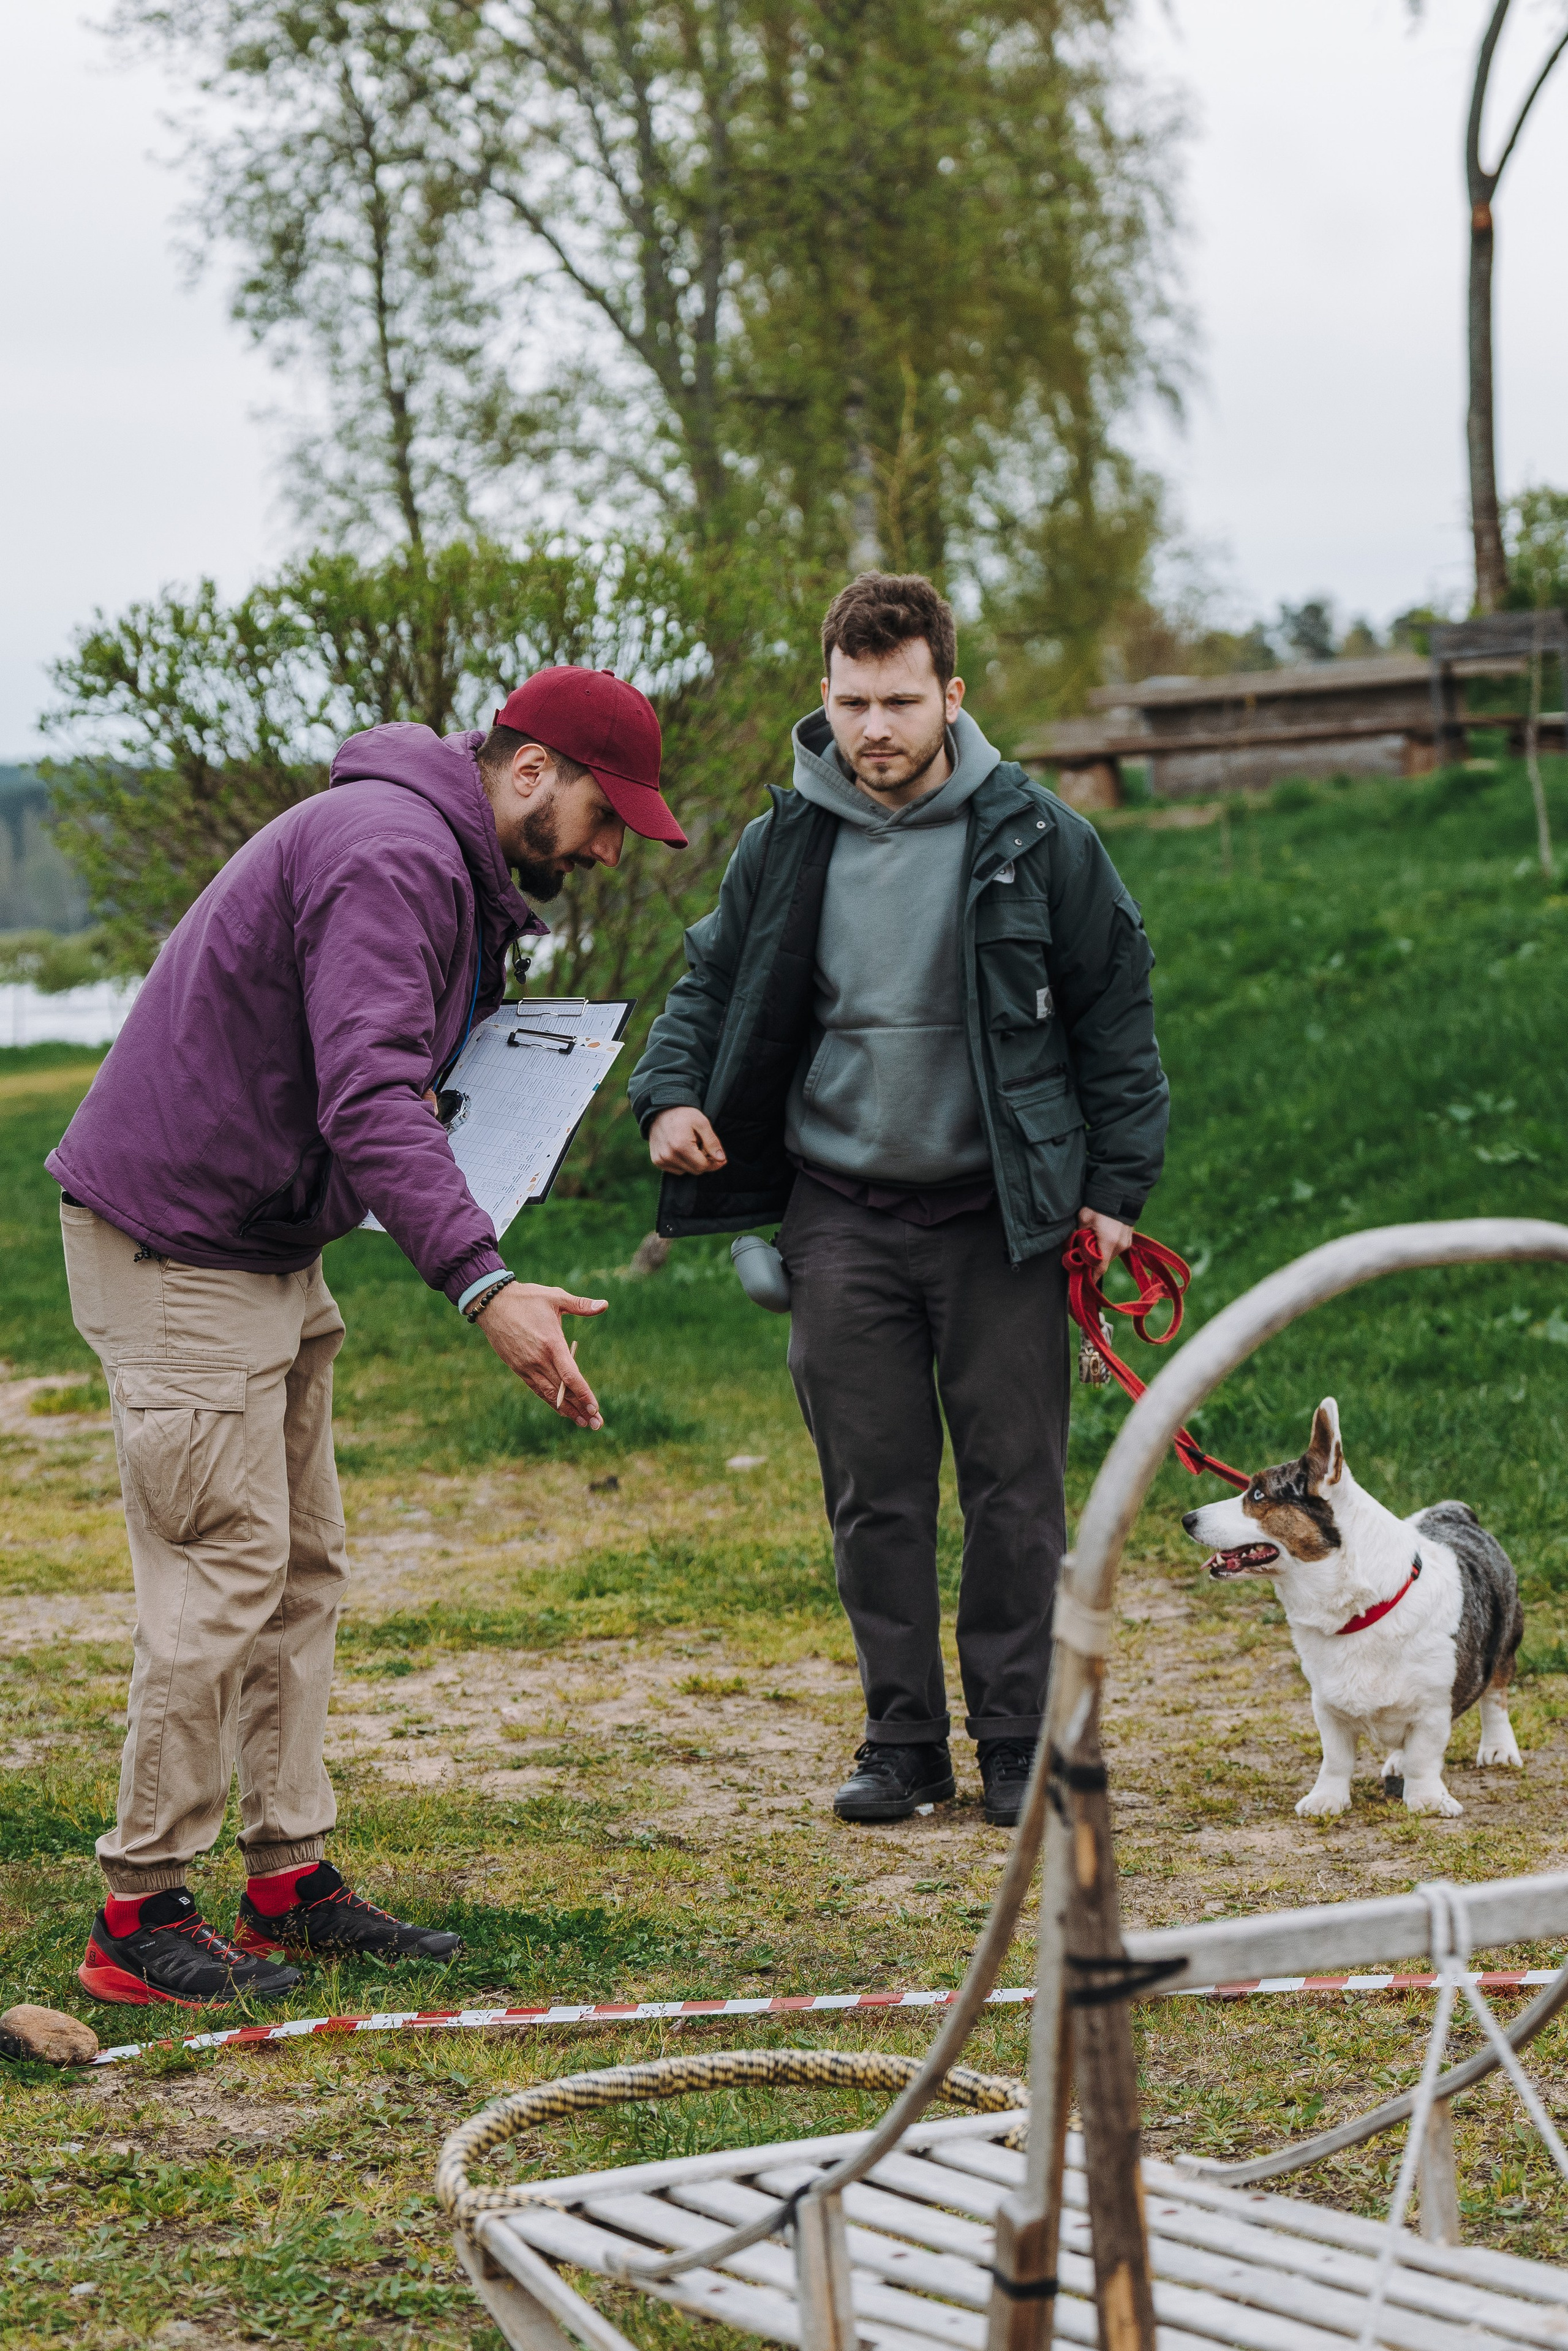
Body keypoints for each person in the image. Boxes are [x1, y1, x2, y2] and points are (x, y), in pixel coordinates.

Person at [48, 666, 686, 2007]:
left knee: (302, 1563)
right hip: (180, 1237)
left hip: (261, 1236)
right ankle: (138, 1916)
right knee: (222, 1568)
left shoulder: (435, 856)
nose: (611, 846)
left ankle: (287, 1878)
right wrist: (482, 1282)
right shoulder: (393, 852)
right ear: (526, 772)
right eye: (604, 813)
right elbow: (369, 1092)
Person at [630, 573, 1166, 1828]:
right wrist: (666, 1097)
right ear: (824, 696)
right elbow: (702, 985)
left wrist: (1112, 1190)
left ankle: (1017, 1744)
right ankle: (902, 1743)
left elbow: (1115, 1019)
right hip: (840, 1212)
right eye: (853, 701)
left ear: (951, 696)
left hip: (1000, 1215)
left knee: (1012, 1489)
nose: (875, 726)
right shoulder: (784, 841)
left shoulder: (1038, 838)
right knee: (872, 1490)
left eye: (900, 700)